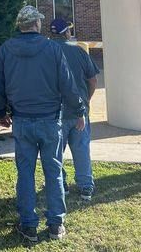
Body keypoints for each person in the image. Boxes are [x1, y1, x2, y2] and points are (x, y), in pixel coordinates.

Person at [0, 6, 86, 244]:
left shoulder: (5, 50)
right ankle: (56, 224)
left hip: (22, 120)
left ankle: (28, 225)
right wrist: (79, 111)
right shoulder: (53, 49)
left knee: (25, 173)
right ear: (36, 24)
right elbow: (67, 84)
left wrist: (1, 112)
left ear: (20, 25)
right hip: (50, 121)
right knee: (53, 172)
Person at [49, 18, 99, 201]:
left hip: (55, 113)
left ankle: (61, 184)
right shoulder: (78, 52)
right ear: (67, 33)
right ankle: (86, 187)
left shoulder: (47, 52)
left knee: (55, 151)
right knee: (81, 149)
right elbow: (93, 80)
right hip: (80, 112)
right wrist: (85, 101)